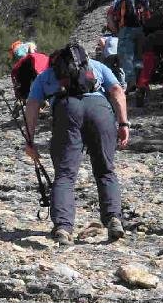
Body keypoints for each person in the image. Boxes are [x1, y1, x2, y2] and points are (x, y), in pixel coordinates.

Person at [24, 44, 130, 246]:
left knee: (65, 174)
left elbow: (32, 105)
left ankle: (63, 228)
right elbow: (116, 89)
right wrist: (123, 122)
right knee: (105, 169)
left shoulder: (46, 75)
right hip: (100, 110)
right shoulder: (97, 66)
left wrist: (30, 139)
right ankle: (114, 219)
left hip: (66, 111)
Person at [108, 0, 150, 92]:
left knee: (125, 57)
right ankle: (142, 83)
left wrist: (117, 32)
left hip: (126, 29)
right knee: (138, 57)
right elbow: (148, 15)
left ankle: (131, 82)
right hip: (140, 30)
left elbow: (110, 17)